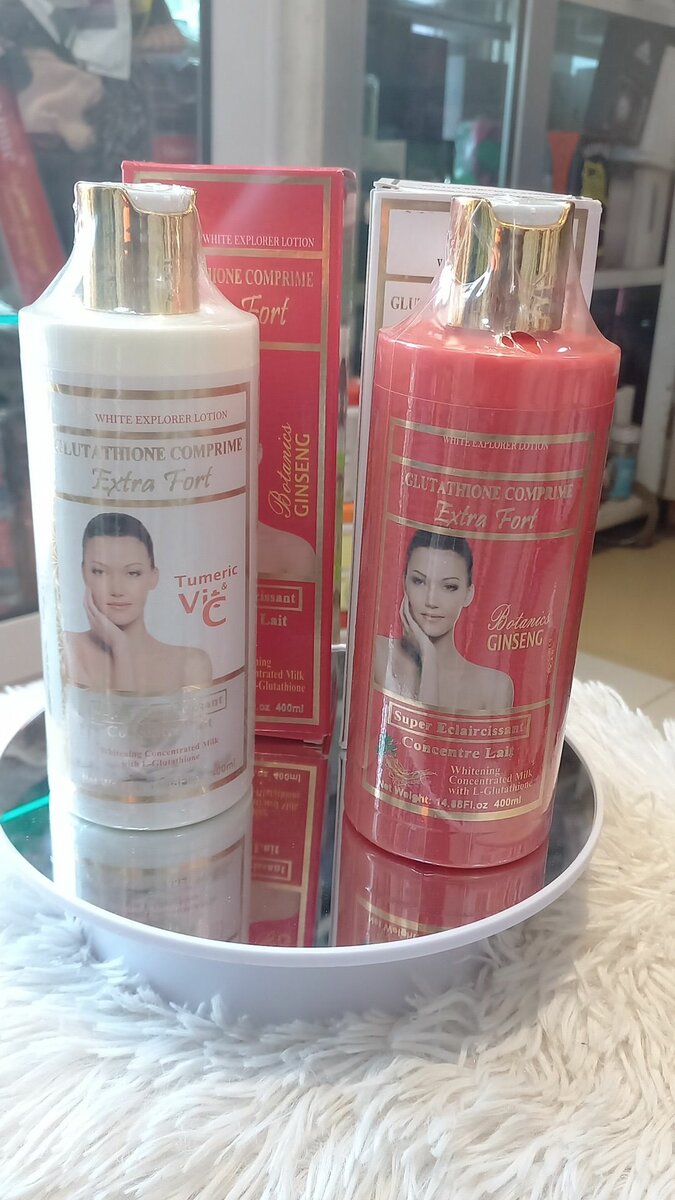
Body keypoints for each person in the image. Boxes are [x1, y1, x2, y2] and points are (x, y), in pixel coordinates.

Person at [64, 512, 213, 694]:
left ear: (153, 577)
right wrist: (121, 649)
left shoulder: (190, 663)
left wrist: (121, 649)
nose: (117, 590)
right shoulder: (68, 648)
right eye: (100, 571)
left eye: (133, 573)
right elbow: (114, 713)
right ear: (84, 574)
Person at [374, 529, 513, 712]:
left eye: (449, 586)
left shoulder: (494, 686)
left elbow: (426, 729)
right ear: (404, 583)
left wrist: (429, 660)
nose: (431, 601)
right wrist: (428, 658)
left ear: (468, 594)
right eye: (419, 581)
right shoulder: (379, 652)